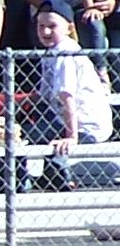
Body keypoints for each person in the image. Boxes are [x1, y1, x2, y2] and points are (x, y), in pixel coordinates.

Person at [32, 0, 115, 189]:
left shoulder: (66, 52)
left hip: (86, 126)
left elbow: (67, 97)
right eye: (41, 26)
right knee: (25, 131)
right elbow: (41, 95)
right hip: (65, 119)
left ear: (69, 28)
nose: (45, 32)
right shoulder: (51, 52)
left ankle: (56, 178)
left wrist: (71, 137)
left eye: (52, 26)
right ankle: (38, 177)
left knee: (39, 139)